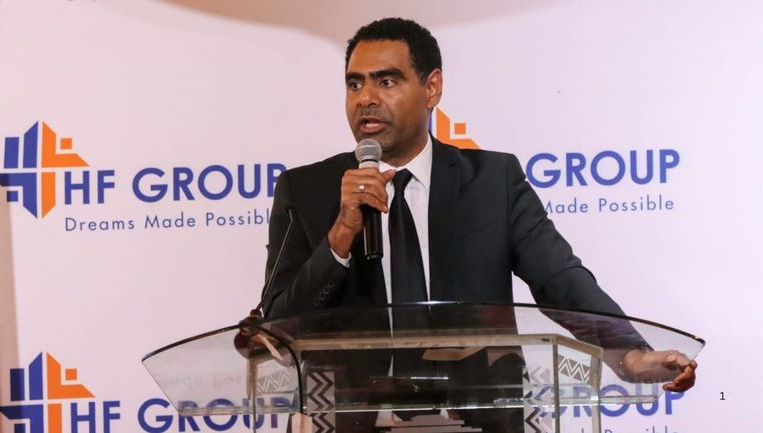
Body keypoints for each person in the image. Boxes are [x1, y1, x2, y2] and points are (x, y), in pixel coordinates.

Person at [259, 17, 697, 432]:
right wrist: (339, 238)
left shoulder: (492, 182)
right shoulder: (308, 190)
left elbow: (560, 279)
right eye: (355, 83)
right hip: (351, 422)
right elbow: (277, 326)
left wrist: (628, 352)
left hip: (479, 419)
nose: (365, 98)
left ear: (432, 88)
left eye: (386, 81)